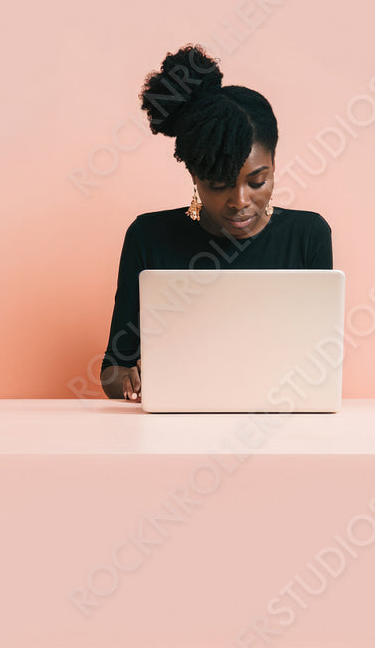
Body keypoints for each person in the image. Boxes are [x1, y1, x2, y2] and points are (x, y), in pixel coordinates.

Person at [99, 44, 333, 402]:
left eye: (257, 181)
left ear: (274, 164)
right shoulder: (148, 237)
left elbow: (321, 370)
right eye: (218, 184)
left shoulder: (308, 237)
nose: (240, 202)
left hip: (282, 425)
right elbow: (113, 372)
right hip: (174, 429)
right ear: (194, 175)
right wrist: (135, 379)